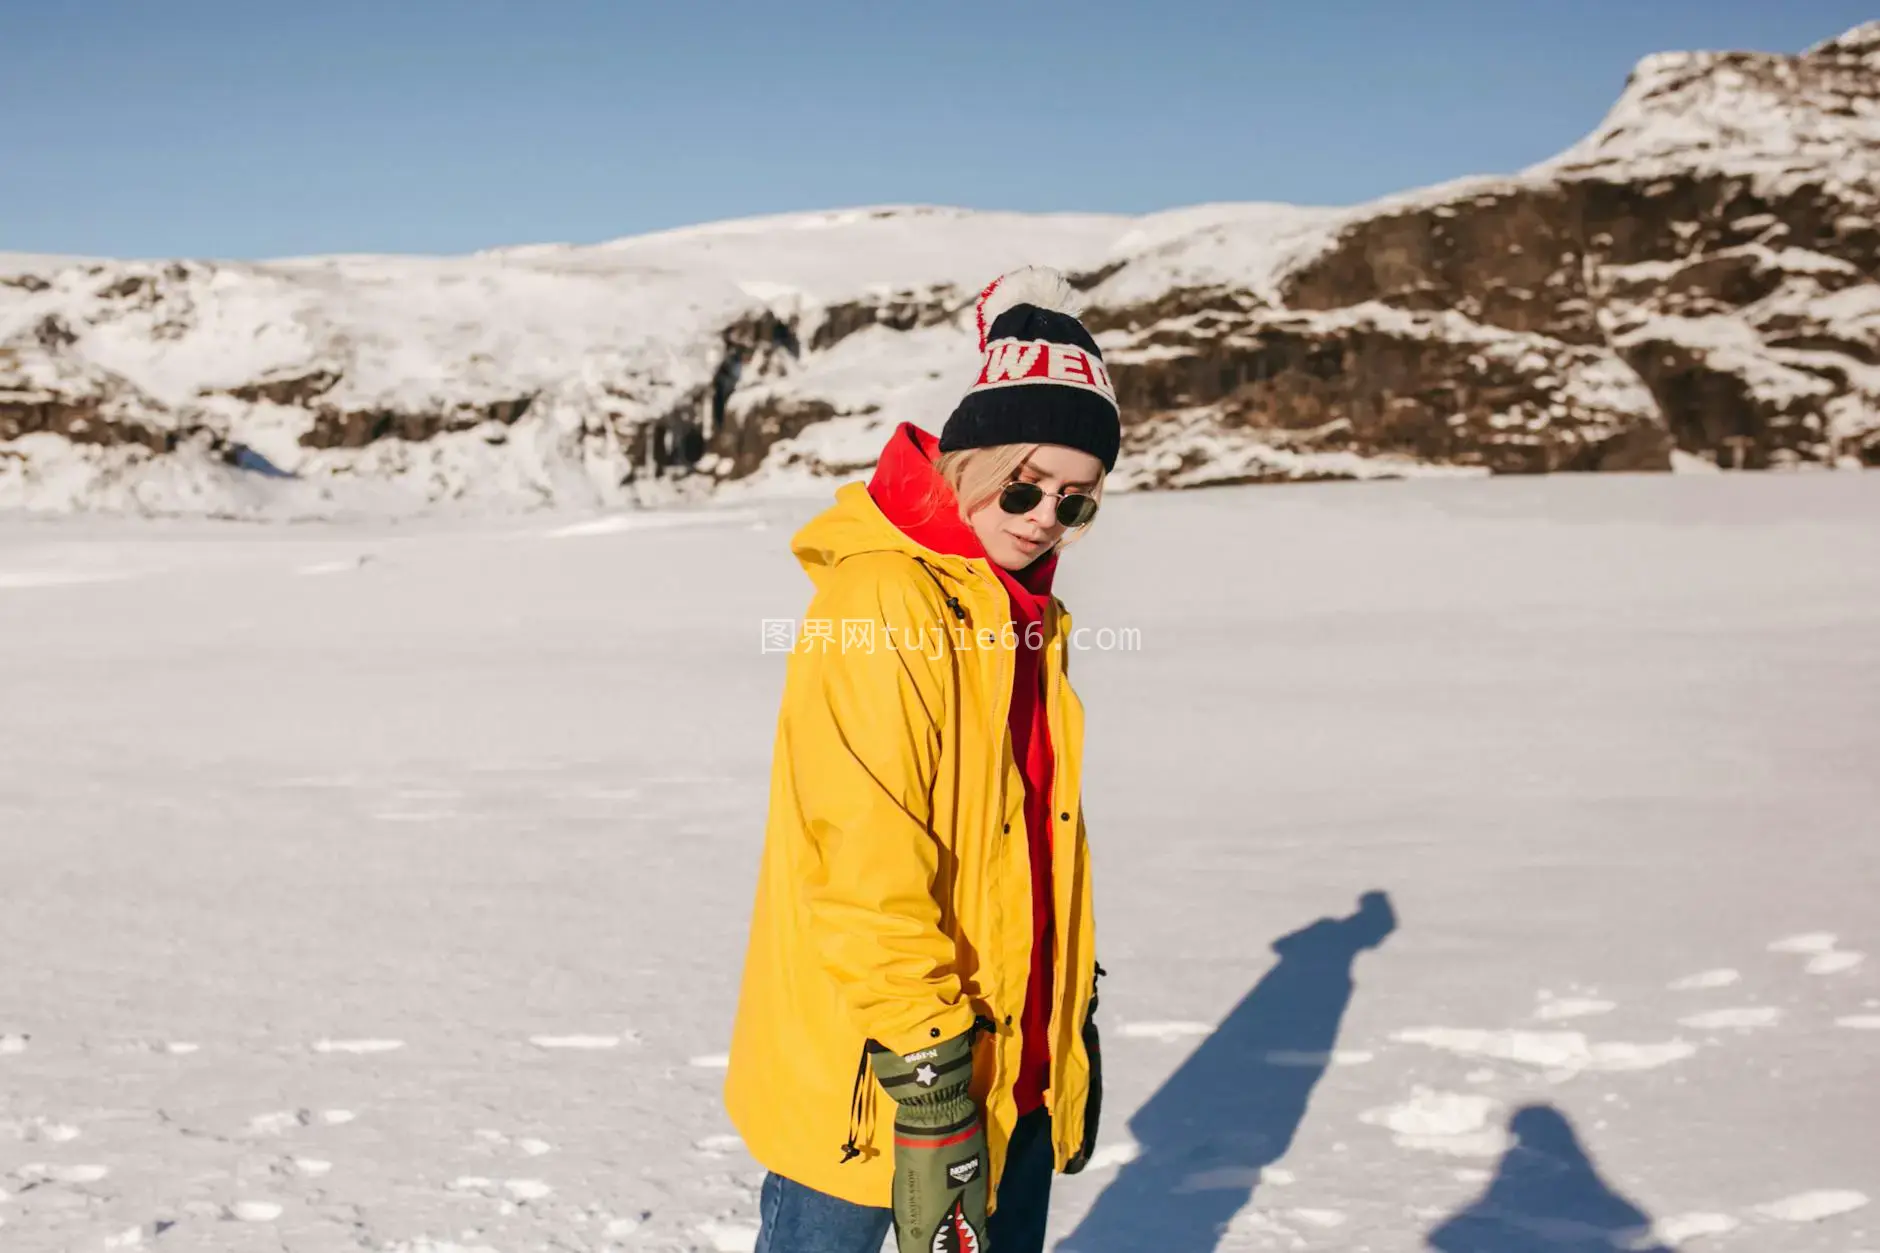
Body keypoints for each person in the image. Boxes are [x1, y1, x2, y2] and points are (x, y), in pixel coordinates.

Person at [725, 266, 1117, 1253]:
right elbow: (858, 855)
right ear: (972, 462)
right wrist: (928, 1067)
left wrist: (1063, 1015)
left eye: (1075, 502)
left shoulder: (1026, 617)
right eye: (1025, 486)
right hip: (892, 1086)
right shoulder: (884, 601)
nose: (1041, 518)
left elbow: (1023, 843)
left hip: (1006, 1075)